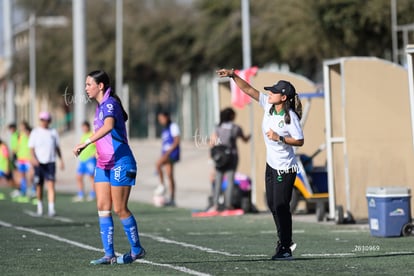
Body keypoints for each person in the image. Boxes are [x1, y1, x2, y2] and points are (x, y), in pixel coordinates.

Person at [216, 68, 304, 260]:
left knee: (281, 206)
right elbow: (248, 90)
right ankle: (283, 241)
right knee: (272, 204)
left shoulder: (290, 117)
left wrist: (279, 137)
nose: (269, 94)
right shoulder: (269, 106)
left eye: (274, 92)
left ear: (283, 97)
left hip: (285, 168)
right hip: (271, 166)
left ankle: (286, 246)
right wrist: (233, 75)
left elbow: (299, 141)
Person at [73, 70, 145, 265]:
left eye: (89, 84)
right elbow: (104, 136)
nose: (86, 88)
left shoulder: (110, 104)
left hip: (121, 162)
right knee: (103, 208)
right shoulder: (99, 107)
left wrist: (85, 142)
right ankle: (109, 254)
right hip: (103, 164)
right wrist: (97, 150)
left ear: (101, 85)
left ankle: (137, 250)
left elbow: (109, 126)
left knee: (120, 208)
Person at [209, 107, 250, 212]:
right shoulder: (235, 128)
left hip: (220, 158)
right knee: (230, 180)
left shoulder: (218, 128)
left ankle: (215, 205)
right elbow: (244, 139)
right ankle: (228, 204)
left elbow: (212, 142)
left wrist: (212, 157)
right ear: (231, 116)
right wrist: (249, 136)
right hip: (232, 157)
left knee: (218, 180)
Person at [29, 112, 64, 216]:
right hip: (39, 163)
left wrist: (61, 160)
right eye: (42, 120)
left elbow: (57, 147)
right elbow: (31, 148)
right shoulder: (35, 132)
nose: (44, 122)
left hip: (50, 162)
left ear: (49, 121)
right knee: (39, 186)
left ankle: (51, 209)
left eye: (46, 120)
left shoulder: (53, 132)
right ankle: (39, 207)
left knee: (51, 185)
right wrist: (33, 158)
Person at [154, 111, 180, 207]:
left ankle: (161, 185)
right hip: (166, 153)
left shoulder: (173, 126)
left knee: (158, 164)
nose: (161, 121)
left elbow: (176, 141)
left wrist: (167, 153)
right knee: (169, 175)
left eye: (162, 118)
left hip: (172, 153)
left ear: (167, 117)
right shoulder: (164, 129)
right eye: (159, 119)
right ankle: (172, 199)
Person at [73, 121, 96, 202]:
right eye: (82, 127)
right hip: (82, 160)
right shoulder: (83, 136)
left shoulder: (92, 135)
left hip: (90, 160)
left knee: (91, 177)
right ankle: (80, 194)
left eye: (85, 127)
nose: (83, 128)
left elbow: (98, 146)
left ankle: (93, 194)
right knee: (78, 177)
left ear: (88, 127)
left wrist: (94, 154)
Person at [16, 121, 34, 198]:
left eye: (22, 126)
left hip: (28, 158)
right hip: (21, 158)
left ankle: (33, 190)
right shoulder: (19, 135)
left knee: (30, 175)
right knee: (22, 176)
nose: (21, 128)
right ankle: (23, 190)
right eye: (20, 126)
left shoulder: (29, 134)